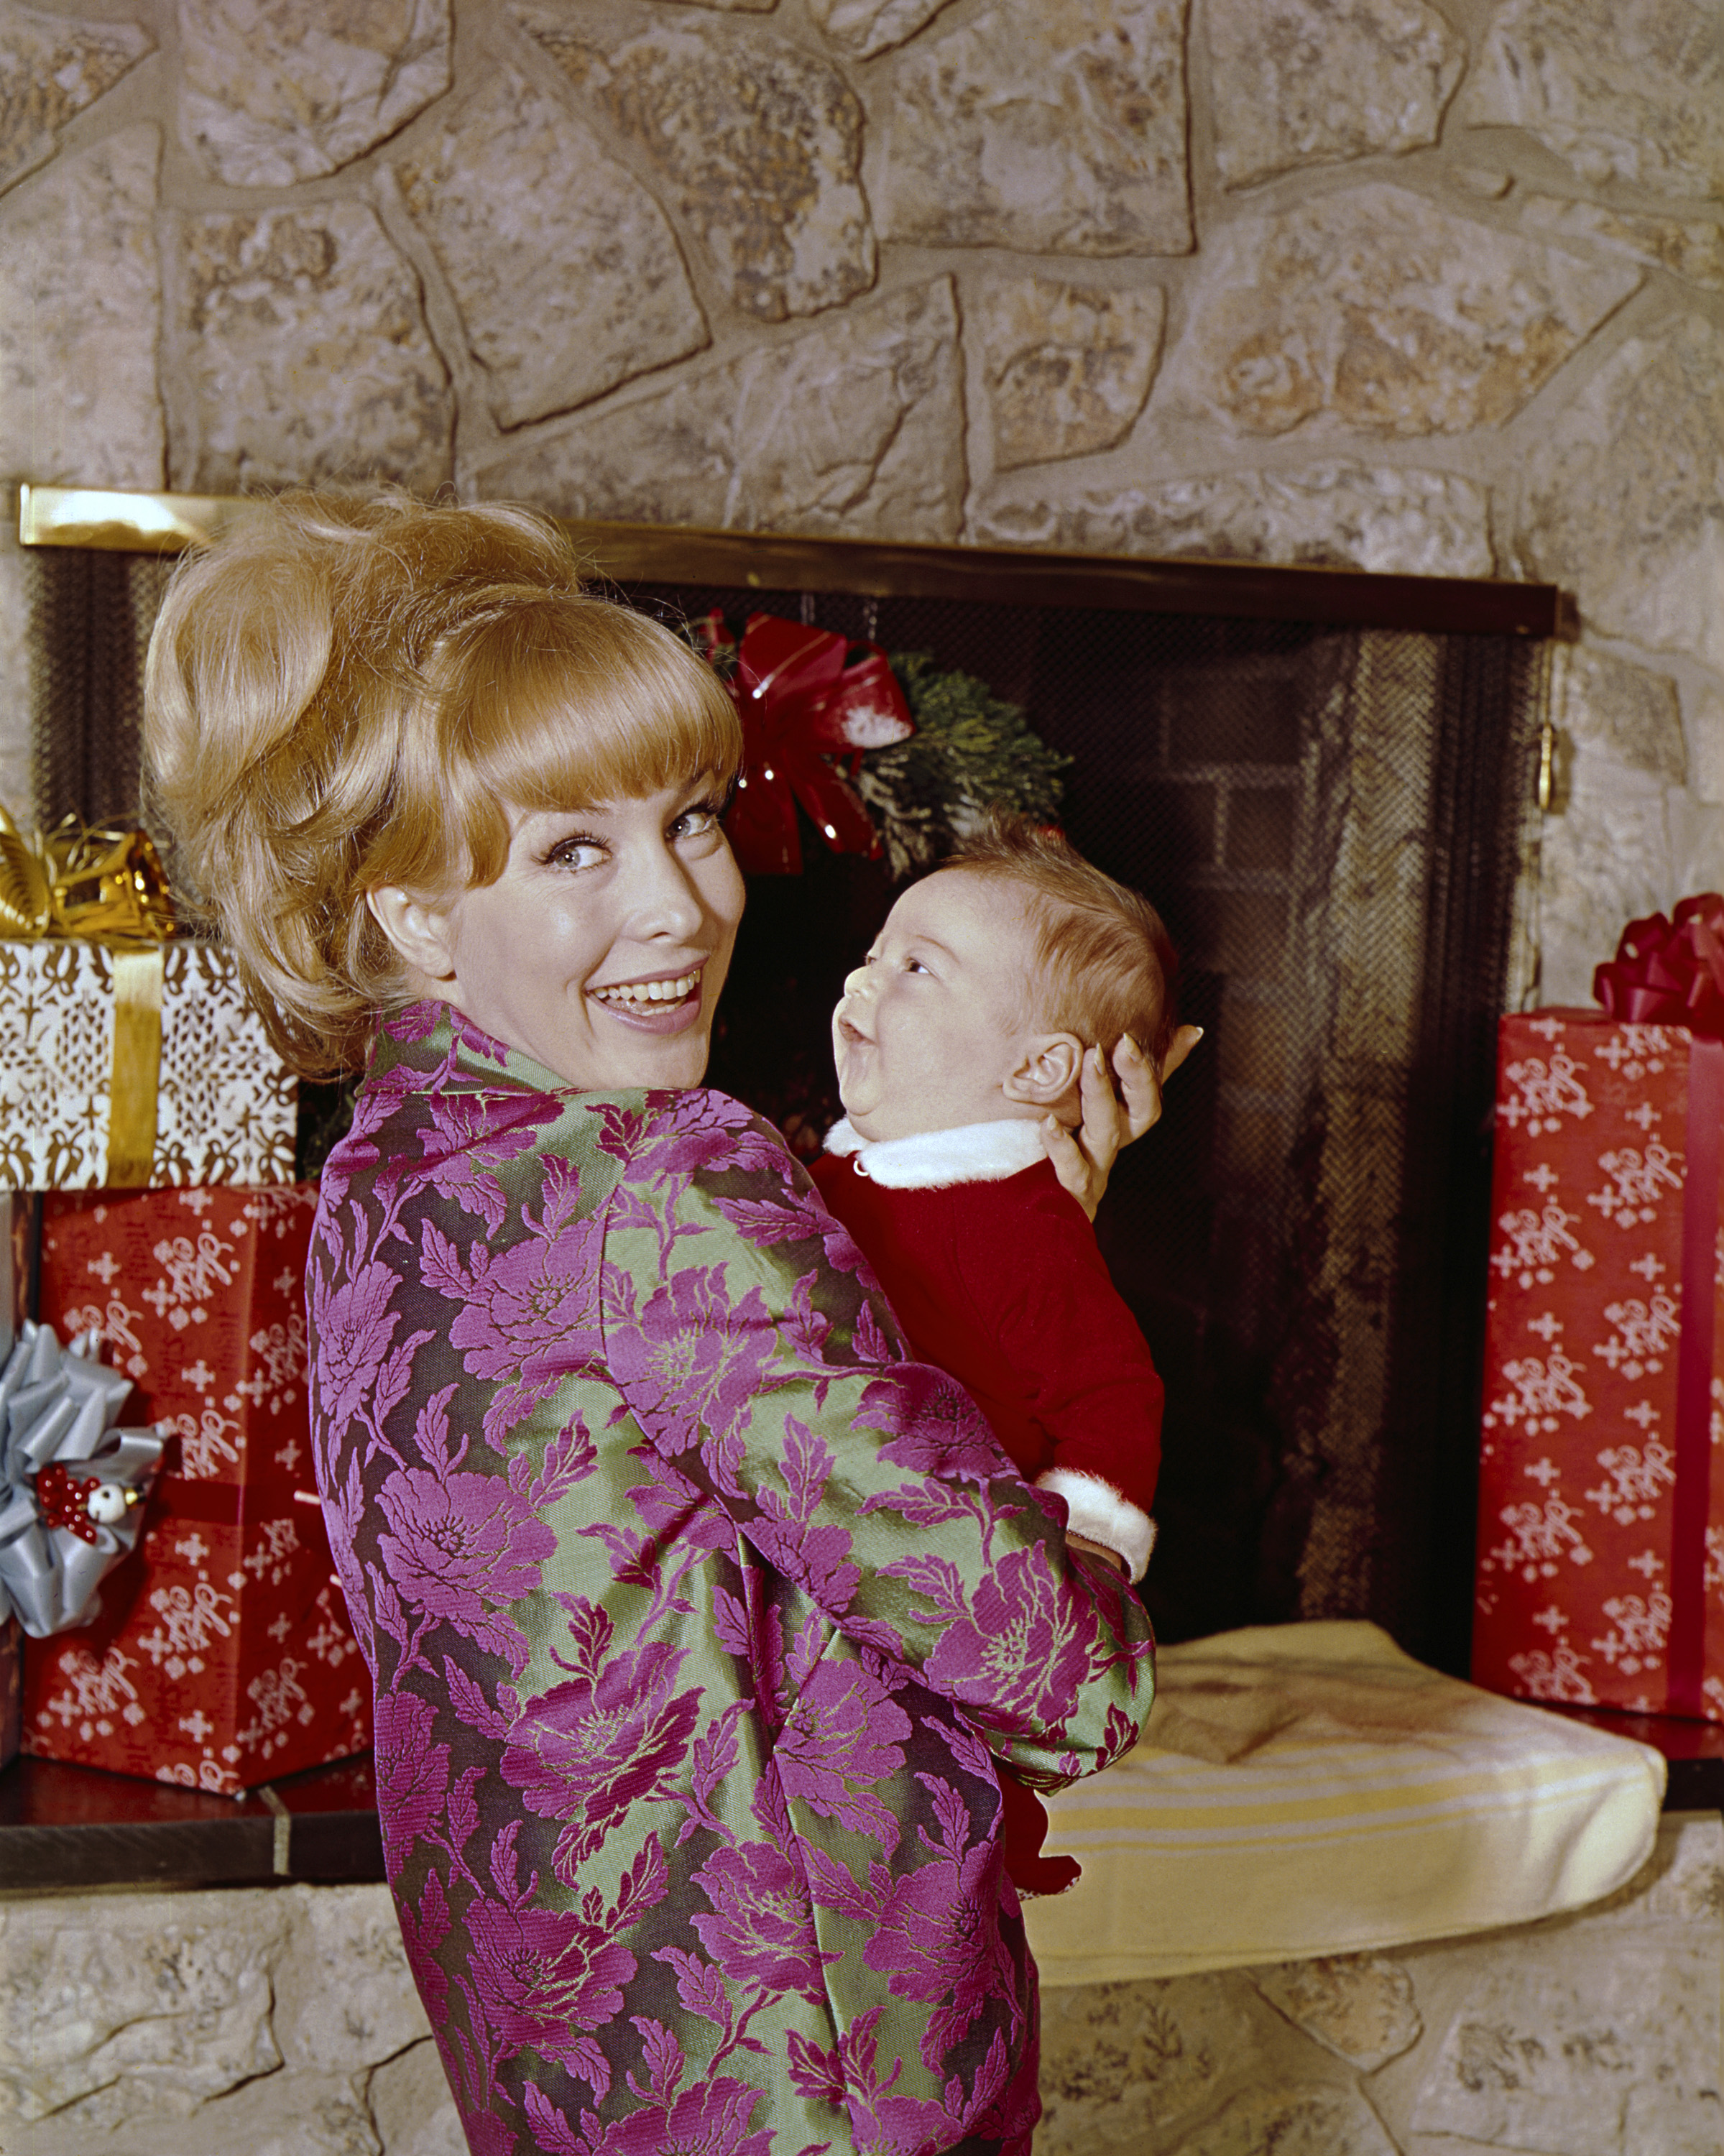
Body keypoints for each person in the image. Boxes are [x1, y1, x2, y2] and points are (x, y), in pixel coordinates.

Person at [142, 491, 1169, 2156]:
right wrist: (1093, 1544)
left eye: (693, 819)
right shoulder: (674, 1179)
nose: (682, 909)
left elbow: (663, 1484)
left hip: (556, 2014)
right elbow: (1046, 1667)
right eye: (573, 851)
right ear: (412, 912)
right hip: (809, 2051)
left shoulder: (386, 1161)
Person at [811, 819, 1179, 1897]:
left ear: (1039, 1066)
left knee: (940, 1743)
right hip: (844, 1526)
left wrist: (1085, 1549)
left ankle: (982, 1843)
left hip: (962, 1561)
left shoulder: (1021, 1223)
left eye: (916, 967)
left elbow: (1113, 1389)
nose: (865, 978)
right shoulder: (835, 1173)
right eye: (875, 953)